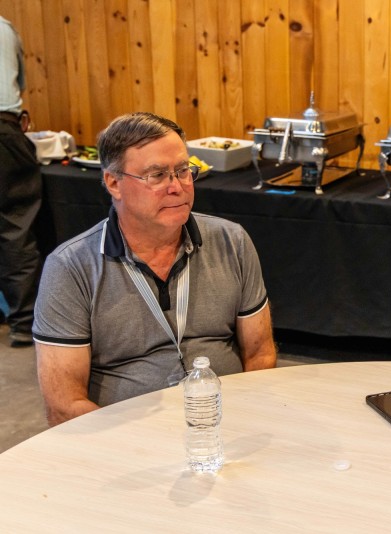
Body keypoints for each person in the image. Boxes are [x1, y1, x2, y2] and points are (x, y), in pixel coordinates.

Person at [33, 112, 278, 425]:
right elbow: (64, 405)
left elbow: (260, 354)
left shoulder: (232, 242)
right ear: (113, 183)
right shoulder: (70, 269)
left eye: (183, 170)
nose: (177, 187)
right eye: (157, 175)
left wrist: (246, 419)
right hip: (125, 436)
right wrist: (142, 443)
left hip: (226, 423)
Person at [0, 15, 41, 347]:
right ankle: (24, 323)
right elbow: (20, 83)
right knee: (15, 226)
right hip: (4, 131)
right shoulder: (5, 28)